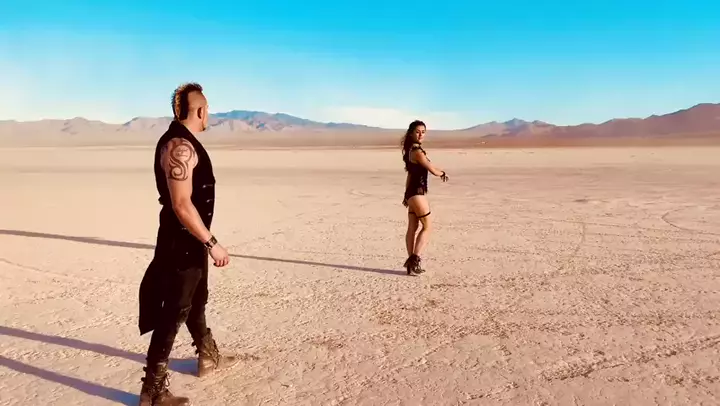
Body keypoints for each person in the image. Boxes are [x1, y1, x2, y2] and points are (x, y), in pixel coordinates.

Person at [137, 83, 237, 406]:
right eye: (208, 110)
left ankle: (207, 357)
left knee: (195, 301)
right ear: (201, 111)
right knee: (173, 311)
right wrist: (212, 243)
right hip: (181, 244)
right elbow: (181, 204)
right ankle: (152, 391)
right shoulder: (180, 146)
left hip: (190, 241)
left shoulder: (183, 142)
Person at [401, 120, 448, 275]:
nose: (421, 135)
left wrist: (406, 195)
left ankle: (410, 265)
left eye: (423, 132)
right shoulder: (417, 152)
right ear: (411, 133)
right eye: (417, 132)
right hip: (417, 193)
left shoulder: (409, 151)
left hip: (411, 194)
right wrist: (443, 173)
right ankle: (414, 260)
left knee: (412, 228)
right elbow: (432, 169)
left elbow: (410, 175)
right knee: (427, 227)